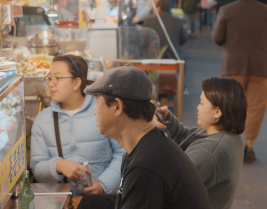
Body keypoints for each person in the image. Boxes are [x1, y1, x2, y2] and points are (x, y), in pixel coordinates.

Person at [77, 66, 210, 209]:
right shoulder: (147, 145)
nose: (95, 112)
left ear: (117, 107)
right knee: (88, 203)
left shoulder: (145, 165)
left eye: (97, 103)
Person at [212, 0, 267, 163]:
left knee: (230, 107)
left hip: (232, 66)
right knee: (255, 108)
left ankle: (229, 147)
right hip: (260, 68)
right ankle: (249, 146)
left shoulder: (227, 10)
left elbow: (218, 38)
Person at [31, 55, 124, 194]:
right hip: (63, 200)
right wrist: (58, 165)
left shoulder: (103, 111)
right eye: (49, 78)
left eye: (58, 78)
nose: (51, 83)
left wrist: (104, 185)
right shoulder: (42, 120)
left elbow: (122, 153)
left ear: (76, 83)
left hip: (100, 200)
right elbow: (37, 167)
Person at [154, 77, 247, 209]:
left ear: (217, 112)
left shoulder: (209, 152)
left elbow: (168, 183)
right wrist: (167, 120)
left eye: (202, 103)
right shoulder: (229, 135)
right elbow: (185, 136)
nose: (197, 107)